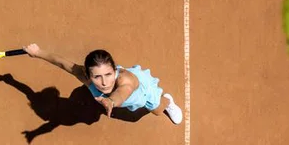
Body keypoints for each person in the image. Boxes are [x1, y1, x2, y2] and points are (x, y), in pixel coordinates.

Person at [23, 43, 183, 125]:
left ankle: (168, 101)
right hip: (110, 100)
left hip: (143, 93)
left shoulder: (127, 80)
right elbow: (62, 63)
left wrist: (111, 101)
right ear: (87, 75)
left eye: (108, 74)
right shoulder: (83, 75)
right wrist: (37, 52)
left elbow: (123, 92)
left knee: (156, 110)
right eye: (97, 77)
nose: (104, 82)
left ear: (115, 70)